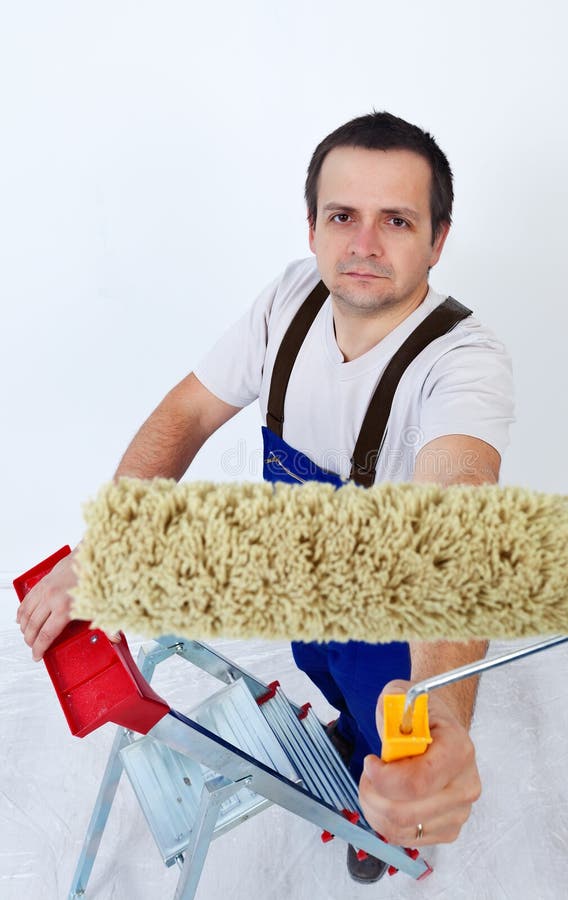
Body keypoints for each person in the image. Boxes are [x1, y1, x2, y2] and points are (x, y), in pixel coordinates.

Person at [17, 111, 515, 884]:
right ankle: (354, 747)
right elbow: (184, 415)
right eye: (343, 216)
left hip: (397, 628)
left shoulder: (464, 363)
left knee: (394, 738)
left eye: (398, 221)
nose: (363, 245)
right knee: (321, 672)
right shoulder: (289, 302)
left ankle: (386, 823)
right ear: (312, 225)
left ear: (438, 240)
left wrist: (441, 708)